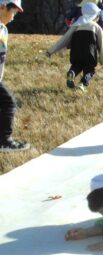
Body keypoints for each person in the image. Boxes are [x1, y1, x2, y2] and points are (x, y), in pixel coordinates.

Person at [47, 2, 103, 92]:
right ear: (95, 16)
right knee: (89, 69)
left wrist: (51, 51)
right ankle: (82, 84)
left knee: (77, 65)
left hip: (76, 52)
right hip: (89, 53)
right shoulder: (96, 27)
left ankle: (72, 73)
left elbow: (64, 39)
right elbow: (101, 46)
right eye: (97, 16)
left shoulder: (76, 25)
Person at [0, 0, 29, 152]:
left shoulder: (3, 29)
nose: (13, 17)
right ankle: (5, 142)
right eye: (13, 12)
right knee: (9, 103)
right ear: (2, 7)